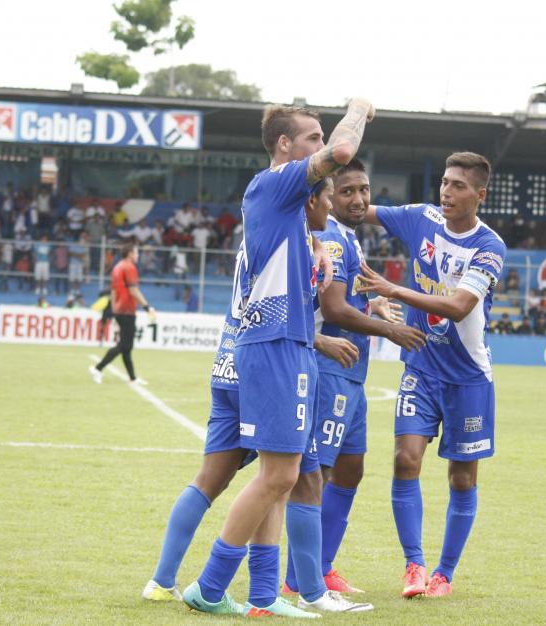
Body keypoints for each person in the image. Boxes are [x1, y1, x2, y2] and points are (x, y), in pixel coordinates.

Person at [182, 98, 375, 618]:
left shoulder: (290, 206)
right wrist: (358, 109)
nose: (319, 147)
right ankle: (210, 586)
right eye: (308, 137)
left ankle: (265, 597)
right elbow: (342, 148)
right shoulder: (276, 180)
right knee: (280, 477)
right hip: (273, 346)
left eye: (317, 135)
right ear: (285, 146)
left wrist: (313, 244)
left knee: (277, 474)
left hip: (285, 346)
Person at [146, 181, 366, 614]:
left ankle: (164, 581)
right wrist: (320, 340)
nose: (331, 206)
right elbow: (279, 310)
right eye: (326, 198)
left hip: (229, 361)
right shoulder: (288, 236)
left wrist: (315, 241)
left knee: (215, 479)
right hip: (269, 367)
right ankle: (292, 590)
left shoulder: (265, 232)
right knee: (291, 477)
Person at [357, 151, 506, 599]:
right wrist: (310, 190)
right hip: (420, 366)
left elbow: (460, 306)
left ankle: (444, 573)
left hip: (467, 378)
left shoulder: (489, 247)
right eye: (444, 182)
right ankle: (414, 566)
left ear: (479, 194)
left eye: (458, 185)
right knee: (405, 459)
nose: (446, 191)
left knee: (462, 478)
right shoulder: (421, 218)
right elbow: (356, 209)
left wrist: (393, 289)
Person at [282, 159, 425, 599]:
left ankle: (322, 567)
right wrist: (390, 329)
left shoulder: (348, 238)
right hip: (330, 371)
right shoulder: (330, 237)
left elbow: (349, 297)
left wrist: (375, 306)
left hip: (352, 373)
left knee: (350, 469)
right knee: (318, 472)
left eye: (363, 190)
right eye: (346, 192)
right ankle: (297, 577)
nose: (358, 199)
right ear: (328, 197)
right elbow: (334, 307)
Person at [89, 242, 155, 385]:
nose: (138, 255)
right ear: (130, 253)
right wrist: (147, 306)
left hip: (119, 309)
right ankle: (98, 368)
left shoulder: (117, 267)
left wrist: (114, 309)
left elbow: (113, 291)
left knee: (127, 346)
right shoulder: (129, 267)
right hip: (127, 310)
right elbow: (133, 291)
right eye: (136, 252)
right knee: (124, 345)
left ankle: (132, 378)